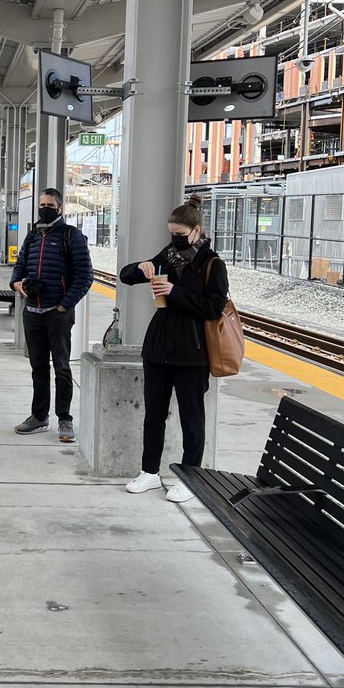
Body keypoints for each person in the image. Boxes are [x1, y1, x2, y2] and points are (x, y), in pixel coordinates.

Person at [119, 194, 228, 502]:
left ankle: (190, 477)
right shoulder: (168, 255)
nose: (175, 240)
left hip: (193, 353)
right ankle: (149, 473)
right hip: (158, 349)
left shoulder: (212, 264)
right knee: (153, 414)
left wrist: (174, 292)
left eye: (180, 235)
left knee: (192, 419)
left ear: (196, 230)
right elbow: (127, 276)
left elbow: (214, 307)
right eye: (171, 234)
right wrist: (139, 268)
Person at [10, 188, 94, 443]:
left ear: (60, 207)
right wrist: (16, 284)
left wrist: (64, 305)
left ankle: (65, 419)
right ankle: (39, 417)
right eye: (41, 204)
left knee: (62, 368)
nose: (44, 208)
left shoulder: (71, 236)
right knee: (38, 368)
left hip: (57, 314)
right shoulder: (33, 235)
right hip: (32, 312)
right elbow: (20, 266)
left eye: (49, 204)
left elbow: (85, 276)